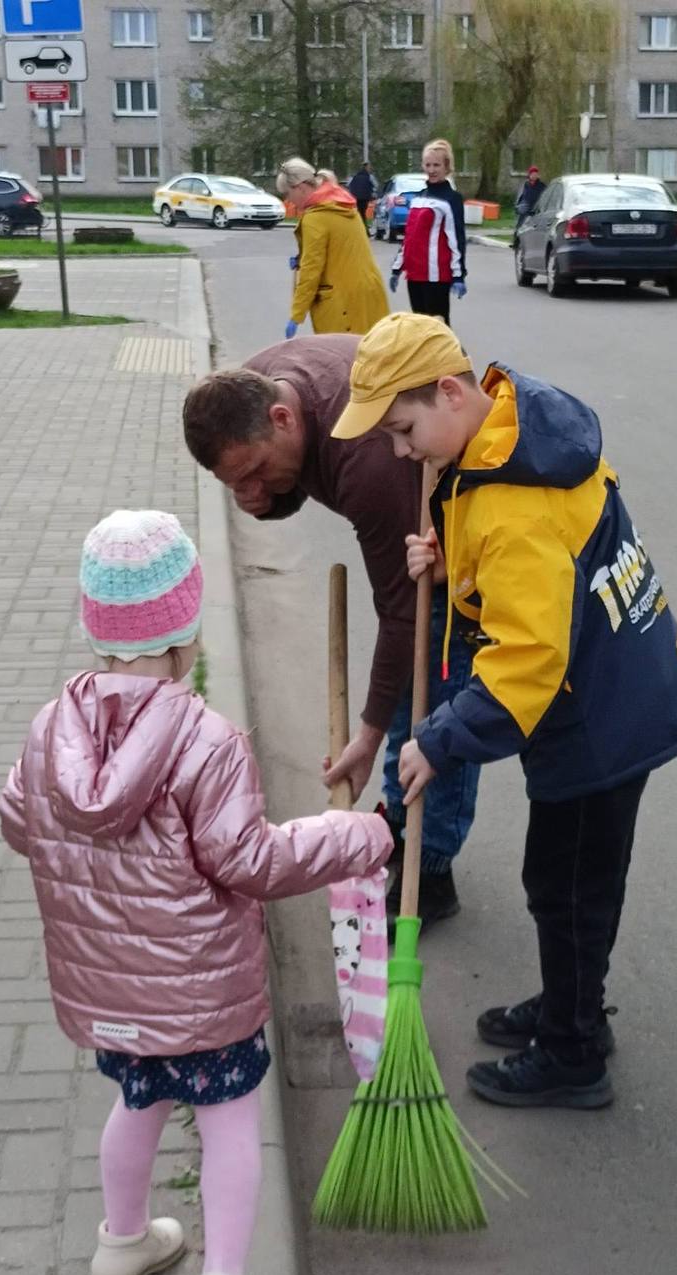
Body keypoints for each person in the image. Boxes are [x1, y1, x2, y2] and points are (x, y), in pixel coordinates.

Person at [330, 313, 677, 1109]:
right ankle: (568, 1002)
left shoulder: (514, 505)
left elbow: (529, 656)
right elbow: (524, 563)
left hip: (598, 719)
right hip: (620, 690)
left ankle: (575, 1050)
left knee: (568, 885)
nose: (403, 453)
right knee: (571, 879)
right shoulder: (508, 431)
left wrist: (438, 739)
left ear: (448, 392)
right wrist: (445, 549)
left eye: (405, 431)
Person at [0, 509, 391, 1275]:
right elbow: (251, 863)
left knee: (137, 1105)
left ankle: (122, 1240)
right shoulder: (207, 741)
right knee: (230, 1121)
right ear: (185, 633)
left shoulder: (51, 728)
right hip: (203, 995)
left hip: (109, 987)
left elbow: (18, 821)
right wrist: (358, 837)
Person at [182, 339, 480, 931]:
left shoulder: (367, 461)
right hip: (401, 513)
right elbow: (284, 492)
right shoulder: (257, 382)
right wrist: (260, 497)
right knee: (400, 692)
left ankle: (433, 861)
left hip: (454, 537)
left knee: (434, 700)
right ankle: (399, 818)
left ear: (283, 418)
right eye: (233, 482)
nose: (249, 489)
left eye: (255, 472)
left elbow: (404, 614)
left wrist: (365, 740)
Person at [275, 156, 387, 340]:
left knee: (345, 362)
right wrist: (301, 257)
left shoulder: (315, 218)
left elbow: (312, 271)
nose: (288, 201)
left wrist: (296, 315)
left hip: (341, 304)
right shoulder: (343, 204)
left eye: (288, 194)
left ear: (301, 188)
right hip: (369, 293)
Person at [389, 139, 467, 327]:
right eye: (428, 165)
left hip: (436, 276)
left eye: (437, 165)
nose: (431, 170)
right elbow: (409, 238)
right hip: (415, 274)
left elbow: (456, 239)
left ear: (447, 167)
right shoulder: (418, 198)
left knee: (438, 330)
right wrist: (397, 269)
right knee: (419, 329)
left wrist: (458, 275)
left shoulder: (452, 199)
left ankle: (455, 357)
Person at [514, 165, 547, 240]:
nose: (534, 176)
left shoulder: (541, 185)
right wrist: (518, 205)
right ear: (529, 175)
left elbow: (545, 196)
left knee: (536, 225)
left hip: (536, 208)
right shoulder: (526, 184)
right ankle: (516, 240)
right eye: (532, 174)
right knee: (520, 223)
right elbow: (521, 196)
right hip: (526, 206)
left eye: (536, 174)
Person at [346, 161, 377, 229]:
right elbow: (375, 186)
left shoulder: (354, 176)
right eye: (369, 167)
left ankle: (359, 227)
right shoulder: (370, 177)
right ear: (367, 167)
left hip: (355, 198)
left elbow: (348, 185)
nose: (370, 169)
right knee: (362, 212)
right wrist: (373, 194)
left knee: (359, 212)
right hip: (365, 198)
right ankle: (363, 228)